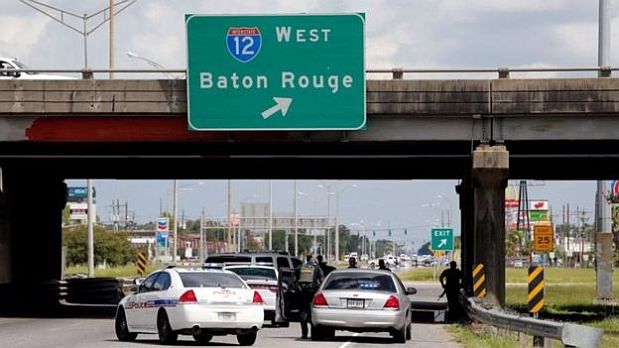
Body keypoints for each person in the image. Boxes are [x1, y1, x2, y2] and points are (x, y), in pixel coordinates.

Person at [295, 254, 324, 339]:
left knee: (303, 313)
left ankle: (304, 334)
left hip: (302, 293)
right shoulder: (317, 268)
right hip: (312, 293)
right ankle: (313, 334)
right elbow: (322, 280)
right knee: (313, 313)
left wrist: (298, 289)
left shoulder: (300, 268)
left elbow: (293, 280)